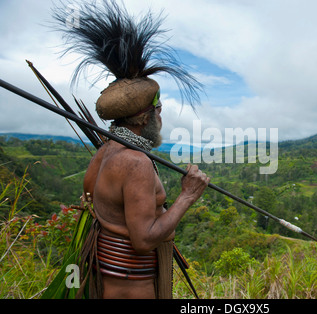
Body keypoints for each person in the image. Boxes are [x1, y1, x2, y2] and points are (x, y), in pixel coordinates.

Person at [48, 0, 207, 298]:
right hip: (132, 287)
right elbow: (143, 239)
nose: (161, 118)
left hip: (104, 282)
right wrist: (188, 195)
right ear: (146, 117)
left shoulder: (106, 151)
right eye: (158, 111)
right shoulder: (135, 163)